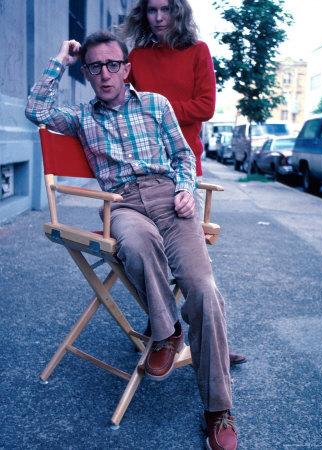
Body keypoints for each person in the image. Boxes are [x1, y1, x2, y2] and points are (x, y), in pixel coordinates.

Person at [25, 31, 238, 450]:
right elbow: (36, 110)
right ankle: (167, 331)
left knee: (203, 289)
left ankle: (217, 408)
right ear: (86, 73)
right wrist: (60, 59)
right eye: (93, 67)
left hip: (168, 197)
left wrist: (183, 188)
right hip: (120, 204)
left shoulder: (156, 105)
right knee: (136, 245)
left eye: (112, 65)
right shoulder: (82, 117)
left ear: (126, 68)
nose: (104, 74)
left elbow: (182, 156)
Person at [123, 0, 246, 367]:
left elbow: (205, 106)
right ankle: (166, 326)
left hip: (183, 168)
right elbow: (121, 104)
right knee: (147, 250)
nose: (158, 18)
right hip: (142, 171)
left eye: (166, 9)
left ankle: (202, 337)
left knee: (191, 261)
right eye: (151, 10)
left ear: (179, 12)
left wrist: (155, 110)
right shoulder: (136, 56)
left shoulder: (198, 51)